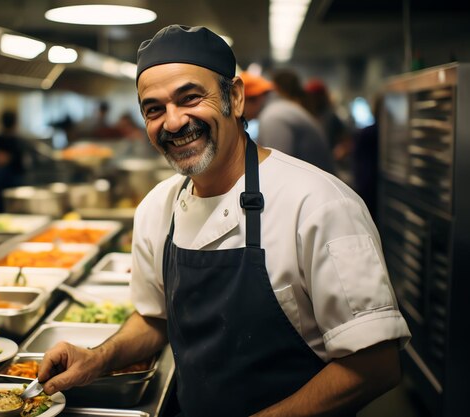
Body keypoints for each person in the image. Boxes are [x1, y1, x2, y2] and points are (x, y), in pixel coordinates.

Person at [38, 25, 411, 417]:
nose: (174, 122)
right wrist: (96, 360)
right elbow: (154, 318)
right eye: (154, 109)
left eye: (190, 98)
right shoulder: (155, 209)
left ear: (234, 97)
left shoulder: (318, 204)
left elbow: (376, 365)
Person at [242, 70, 336, 174]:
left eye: (239, 101)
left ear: (254, 98)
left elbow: (277, 171)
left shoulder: (273, 117)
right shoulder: (280, 109)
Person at [304, 78, 354, 179]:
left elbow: (347, 142)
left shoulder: (330, 116)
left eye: (314, 96)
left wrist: (337, 153)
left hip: (328, 168)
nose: (311, 100)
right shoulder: (308, 115)